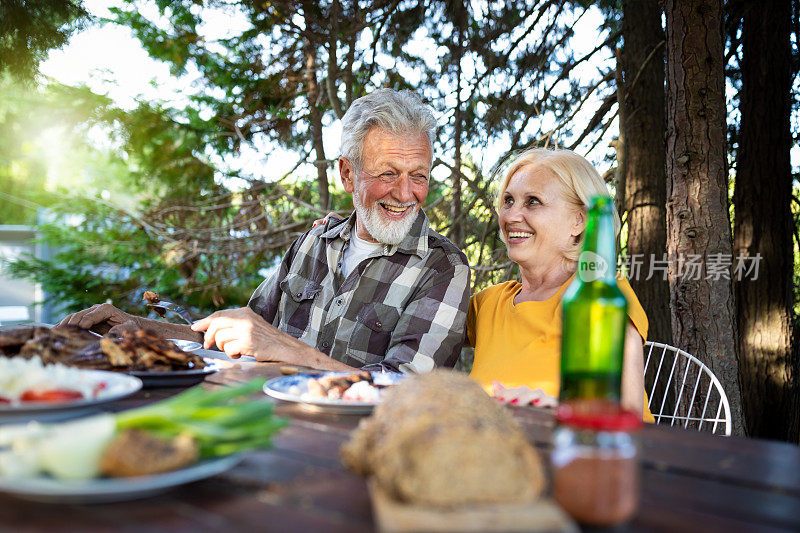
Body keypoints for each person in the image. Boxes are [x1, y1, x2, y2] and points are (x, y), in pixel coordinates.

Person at [59, 89, 471, 373]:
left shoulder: (443, 267)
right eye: (388, 173)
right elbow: (241, 337)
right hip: (273, 430)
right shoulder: (313, 242)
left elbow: (407, 390)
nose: (406, 193)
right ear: (348, 173)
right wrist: (136, 326)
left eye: (418, 175)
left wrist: (283, 347)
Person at [466, 148, 651, 418]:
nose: (511, 216)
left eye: (533, 202)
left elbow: (628, 412)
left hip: (577, 450)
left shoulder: (597, 294)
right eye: (508, 201)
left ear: (580, 221)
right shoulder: (488, 304)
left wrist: (559, 410)